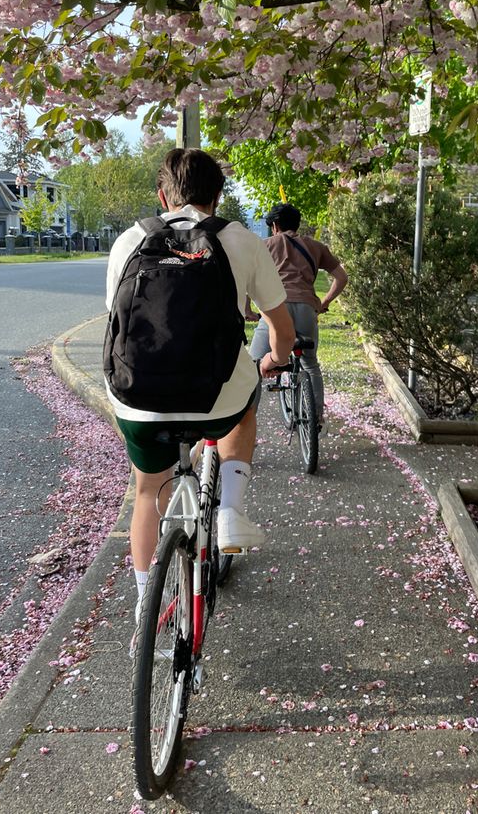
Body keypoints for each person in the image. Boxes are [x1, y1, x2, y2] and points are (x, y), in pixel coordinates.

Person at [105, 148, 295, 618]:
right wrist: (276, 358)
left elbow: (116, 324)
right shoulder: (242, 240)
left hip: (139, 396)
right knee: (245, 397)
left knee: (149, 490)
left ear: (162, 194)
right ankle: (229, 510)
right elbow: (281, 328)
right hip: (215, 397)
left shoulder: (129, 240)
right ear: (218, 195)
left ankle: (146, 602)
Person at [250, 202, 348, 425]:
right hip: (306, 307)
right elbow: (342, 277)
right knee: (310, 364)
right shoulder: (316, 246)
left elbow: (249, 278)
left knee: (254, 365)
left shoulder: (265, 246)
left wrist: (248, 310)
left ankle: (247, 420)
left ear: (275, 225)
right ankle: (316, 419)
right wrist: (323, 303)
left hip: (276, 309)